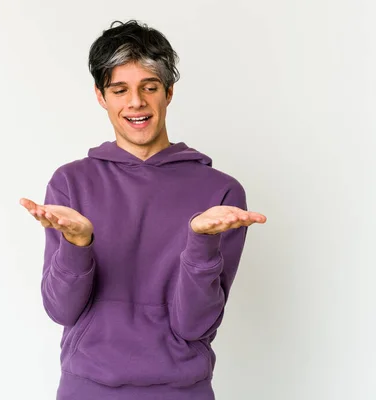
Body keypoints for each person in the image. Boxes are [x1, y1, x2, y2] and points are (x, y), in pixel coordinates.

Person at [20, 19, 267, 400]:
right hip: (87, 390)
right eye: (120, 90)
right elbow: (61, 311)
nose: (136, 102)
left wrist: (200, 243)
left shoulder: (220, 192)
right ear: (101, 96)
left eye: (148, 87)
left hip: (182, 391)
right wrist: (77, 243)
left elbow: (194, 324)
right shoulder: (70, 183)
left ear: (168, 92)